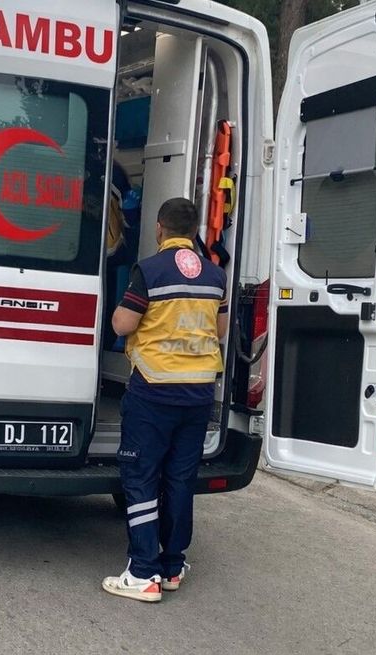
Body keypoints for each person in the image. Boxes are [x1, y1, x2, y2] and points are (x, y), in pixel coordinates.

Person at [101, 197, 228, 603]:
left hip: (154, 389)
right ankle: (172, 566)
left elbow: (123, 323)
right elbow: (220, 330)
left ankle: (142, 573)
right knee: (179, 479)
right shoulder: (215, 275)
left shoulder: (150, 270)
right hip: (199, 393)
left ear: (159, 228)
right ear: (195, 232)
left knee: (141, 477)